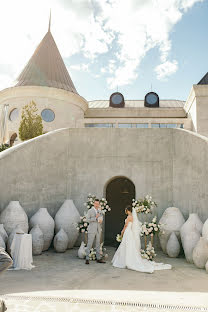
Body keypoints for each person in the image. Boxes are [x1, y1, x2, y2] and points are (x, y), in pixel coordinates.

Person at [112, 205, 172, 273]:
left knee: (126, 245)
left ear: (127, 210)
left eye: (125, 210)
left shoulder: (129, 217)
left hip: (127, 232)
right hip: (130, 232)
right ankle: (127, 259)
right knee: (128, 246)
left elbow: (126, 226)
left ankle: (125, 261)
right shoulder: (133, 217)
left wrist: (122, 232)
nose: (125, 211)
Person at [85, 199, 106, 264]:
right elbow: (87, 220)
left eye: (98, 204)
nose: (97, 205)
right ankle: (87, 259)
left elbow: (101, 218)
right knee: (90, 244)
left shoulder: (100, 211)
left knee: (98, 244)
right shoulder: (90, 211)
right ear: (94, 204)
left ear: (99, 204)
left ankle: (98, 258)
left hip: (98, 229)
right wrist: (95, 218)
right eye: (96, 203)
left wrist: (100, 219)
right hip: (92, 229)